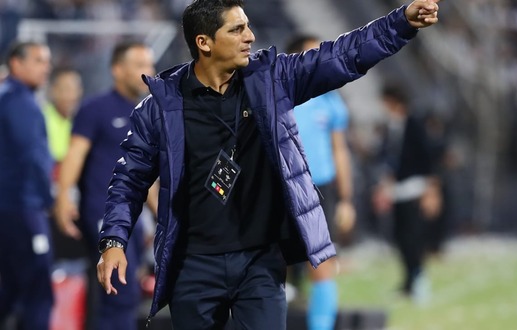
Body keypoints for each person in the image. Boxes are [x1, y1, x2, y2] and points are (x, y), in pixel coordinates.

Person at [96, 1, 440, 329]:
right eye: (237, 29)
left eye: (248, 27)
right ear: (204, 42)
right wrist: (113, 241)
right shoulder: (159, 107)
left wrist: (401, 22)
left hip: (259, 263)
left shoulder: (272, 79)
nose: (251, 36)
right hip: (193, 265)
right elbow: (128, 179)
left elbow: (342, 55)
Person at [54, 41, 157, 330]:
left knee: (126, 293)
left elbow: (143, 172)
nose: (148, 72)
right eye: (139, 65)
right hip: (102, 212)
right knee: (119, 292)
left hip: (134, 218)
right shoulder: (94, 109)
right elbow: (74, 157)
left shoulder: (147, 113)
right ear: (117, 70)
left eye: (149, 65)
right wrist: (63, 198)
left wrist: (158, 214)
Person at [285, 34, 356, 330]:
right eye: (313, 53)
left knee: (323, 265)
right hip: (284, 186)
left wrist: (346, 200)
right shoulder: (280, 93)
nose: (322, 58)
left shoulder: (332, 98)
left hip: (321, 189)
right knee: (274, 268)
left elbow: (340, 150)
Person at [371, 84, 442, 304]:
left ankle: (419, 278)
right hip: (397, 192)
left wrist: (432, 189)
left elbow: (427, 156)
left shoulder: (414, 124)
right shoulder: (390, 128)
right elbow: (388, 159)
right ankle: (408, 279)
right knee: (400, 238)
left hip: (415, 188)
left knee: (414, 237)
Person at [0, 41, 53, 330]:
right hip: (23, 208)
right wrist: (49, 200)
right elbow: (33, 159)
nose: (46, 67)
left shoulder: (6, 96)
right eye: (39, 60)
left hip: (9, 209)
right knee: (38, 291)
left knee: (11, 289)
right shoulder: (21, 103)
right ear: (16, 63)